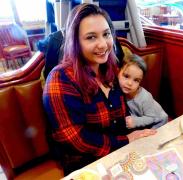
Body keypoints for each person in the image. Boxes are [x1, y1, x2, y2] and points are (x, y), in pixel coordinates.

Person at [43, 3, 156, 175]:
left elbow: (124, 114)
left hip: (122, 153)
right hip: (86, 165)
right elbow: (75, 139)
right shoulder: (60, 78)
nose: (103, 44)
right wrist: (125, 141)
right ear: (75, 41)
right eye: (91, 37)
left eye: (106, 34)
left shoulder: (112, 68)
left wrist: (138, 132)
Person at [118, 54, 168, 129]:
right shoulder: (118, 90)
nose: (130, 83)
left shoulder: (145, 97)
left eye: (136, 80)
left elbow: (151, 117)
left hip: (158, 121)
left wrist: (135, 122)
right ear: (118, 72)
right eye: (126, 76)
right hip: (142, 119)